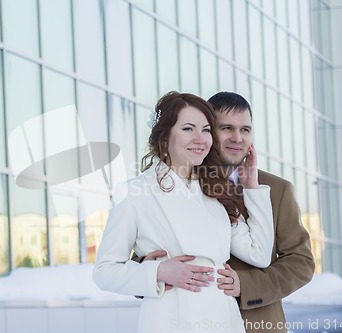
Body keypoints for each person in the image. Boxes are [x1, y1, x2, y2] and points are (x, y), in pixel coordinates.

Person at [93, 91, 274, 333]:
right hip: (172, 319)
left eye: (207, 130)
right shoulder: (135, 192)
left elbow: (259, 254)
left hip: (223, 320)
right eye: (188, 129)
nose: (201, 139)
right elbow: (104, 271)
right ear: (165, 137)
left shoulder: (216, 189)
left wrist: (252, 187)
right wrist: (157, 271)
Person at [139, 92, 315, 333]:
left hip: (259, 326)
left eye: (245, 130)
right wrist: (151, 270)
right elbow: (142, 253)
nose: (237, 138)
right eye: (227, 128)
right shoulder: (176, 185)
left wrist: (246, 285)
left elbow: (301, 262)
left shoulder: (277, 189)